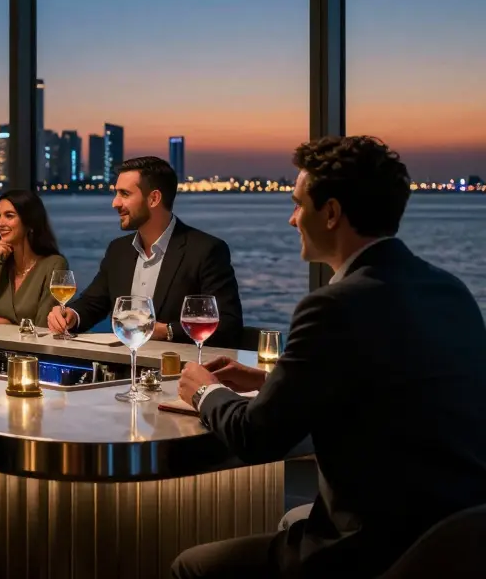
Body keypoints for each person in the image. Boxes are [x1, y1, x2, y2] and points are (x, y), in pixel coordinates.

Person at [173, 136, 486, 579]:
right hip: (460, 541)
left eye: (299, 204)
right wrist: (273, 380)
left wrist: (204, 390)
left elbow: (257, 438)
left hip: (369, 550)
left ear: (332, 213)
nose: (291, 218)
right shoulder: (451, 291)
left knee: (191, 566)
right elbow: (385, 383)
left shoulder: (333, 306)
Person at [48, 156, 245, 348]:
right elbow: (93, 302)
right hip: (123, 369)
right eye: (116, 193)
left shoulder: (206, 250)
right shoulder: (118, 250)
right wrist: (72, 315)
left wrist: (166, 331)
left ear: (154, 199)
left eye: (124, 194)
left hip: (177, 371)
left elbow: (228, 325)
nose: (115, 203)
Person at [0, 189, 69, 327]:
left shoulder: (54, 264)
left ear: (29, 222)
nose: (0, 223)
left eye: (9, 216)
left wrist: (7, 325)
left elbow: (45, 327)